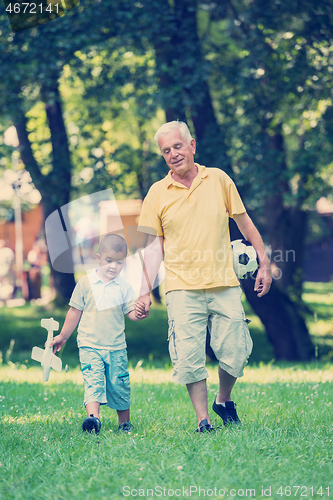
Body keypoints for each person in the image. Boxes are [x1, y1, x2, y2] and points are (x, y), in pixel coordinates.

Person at [135, 121, 272, 432]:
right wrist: (144, 290)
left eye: (178, 146)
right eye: (166, 150)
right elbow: (153, 248)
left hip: (223, 282)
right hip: (181, 288)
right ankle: (203, 420)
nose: (173, 154)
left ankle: (223, 400)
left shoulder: (219, 179)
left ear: (192, 145)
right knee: (189, 357)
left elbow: (244, 223)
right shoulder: (157, 193)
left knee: (236, 350)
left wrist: (264, 263)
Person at [50, 234, 146, 434]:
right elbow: (74, 311)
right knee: (93, 381)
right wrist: (63, 336)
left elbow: (130, 313)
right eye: (109, 261)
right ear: (99, 258)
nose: (113, 266)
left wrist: (140, 313)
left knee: (119, 385)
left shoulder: (124, 286)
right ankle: (93, 420)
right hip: (89, 345)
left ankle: (124, 423)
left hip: (116, 347)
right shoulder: (86, 283)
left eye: (119, 262)